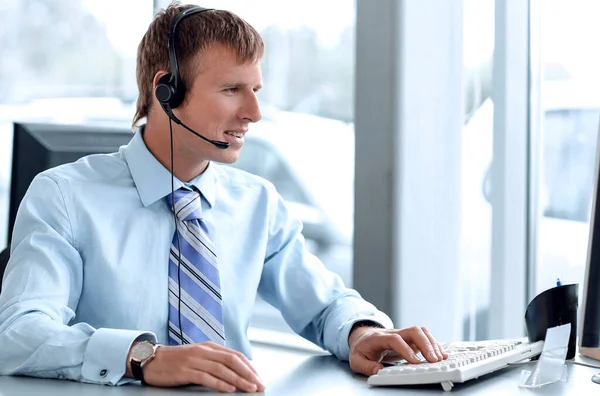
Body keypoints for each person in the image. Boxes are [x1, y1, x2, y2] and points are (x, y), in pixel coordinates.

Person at [0, 2, 447, 393]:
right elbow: (19, 332)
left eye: (255, 90)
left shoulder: (257, 203)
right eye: (232, 90)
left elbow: (325, 303)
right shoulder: (63, 196)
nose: (253, 113)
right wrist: (140, 356)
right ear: (166, 91)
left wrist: (361, 332)